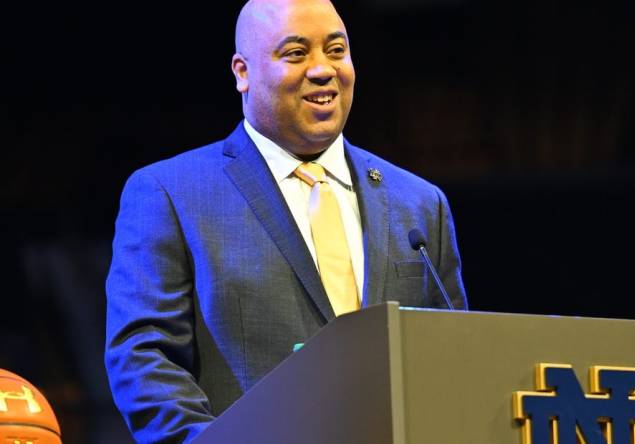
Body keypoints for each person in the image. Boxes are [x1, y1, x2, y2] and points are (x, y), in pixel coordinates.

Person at [104, 0, 468, 442]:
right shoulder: (171, 193)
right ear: (243, 72)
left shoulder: (420, 203)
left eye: (336, 50)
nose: (322, 70)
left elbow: (451, 359)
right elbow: (144, 358)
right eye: (296, 53)